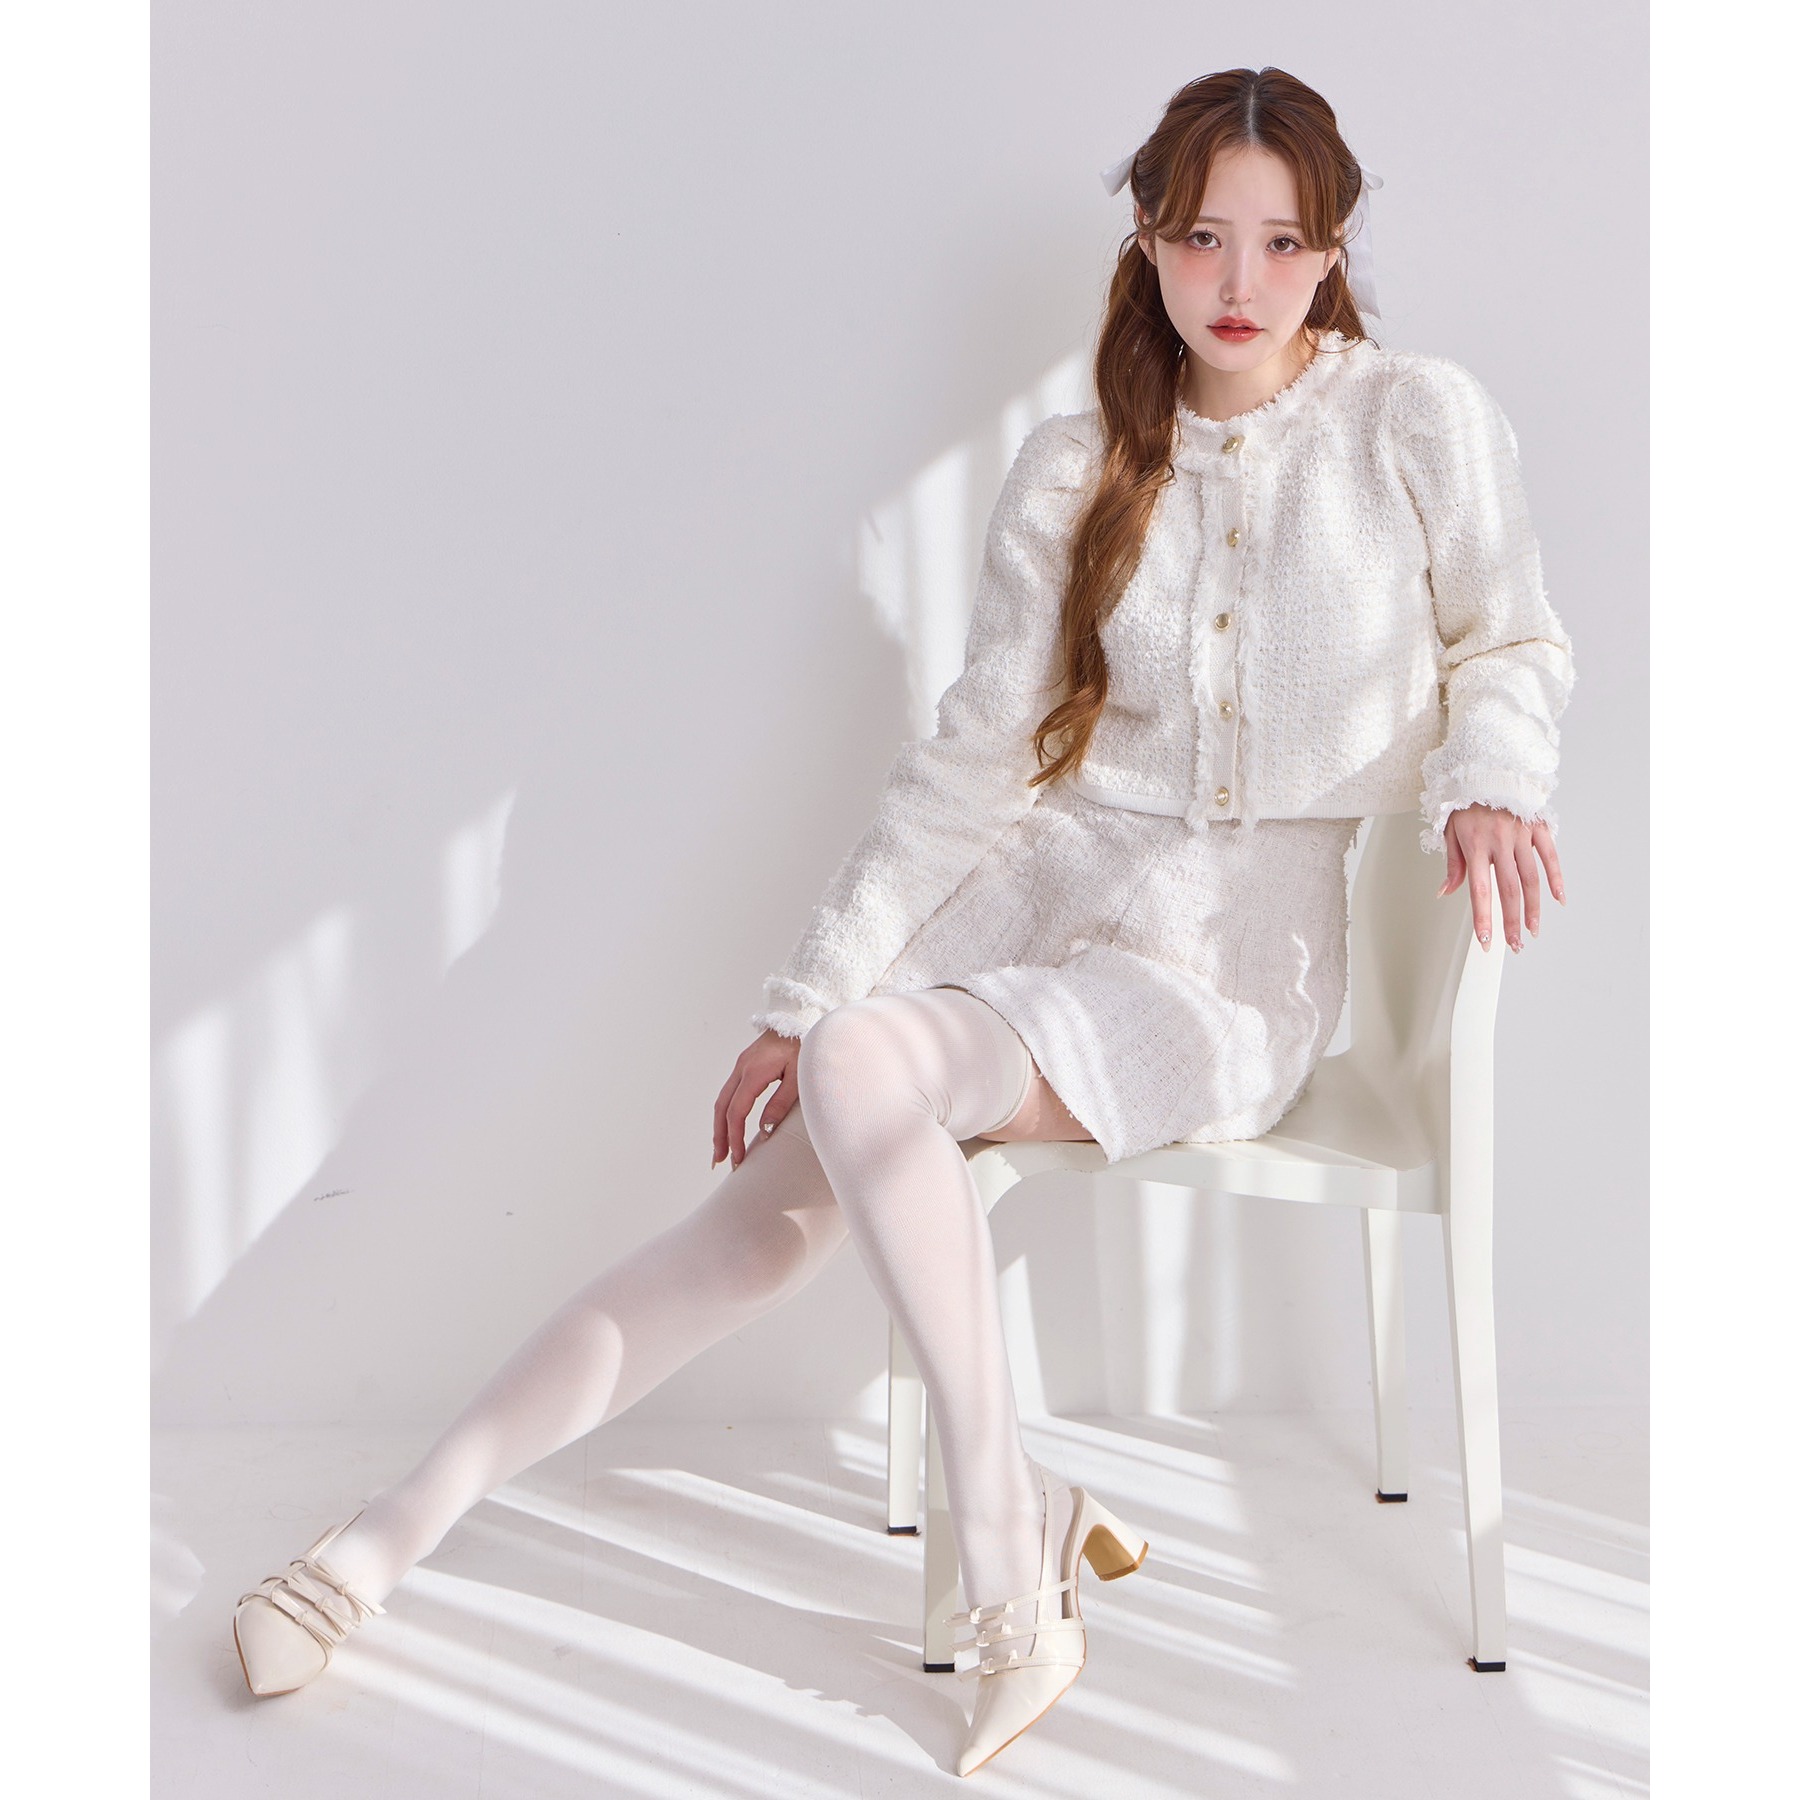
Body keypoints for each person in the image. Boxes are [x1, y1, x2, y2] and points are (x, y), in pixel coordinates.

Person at [229, 65, 1573, 1778]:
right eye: (1202, 237)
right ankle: (378, 1544)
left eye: (1284, 241)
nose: (1242, 281)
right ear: (1147, 236)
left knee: (858, 1074)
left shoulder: (1414, 422)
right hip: (1036, 904)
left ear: (1332, 246)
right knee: (751, 1224)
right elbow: (972, 765)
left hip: (1228, 966)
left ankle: (1002, 1533)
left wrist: (1491, 777)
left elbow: (1510, 642)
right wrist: (805, 999)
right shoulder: (1079, 461)